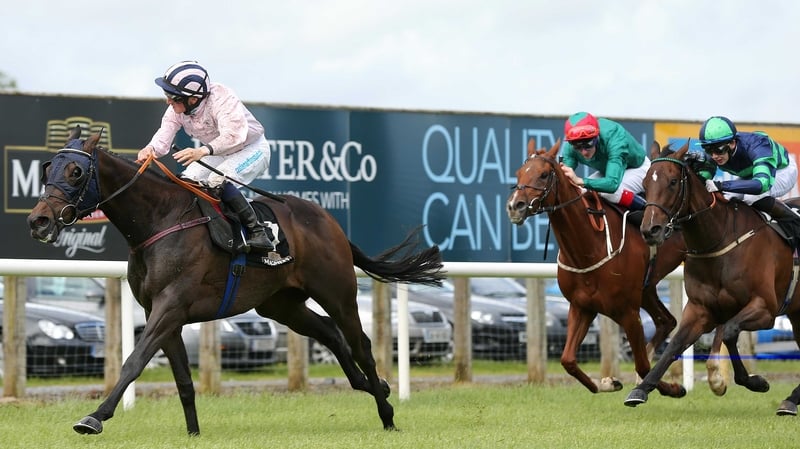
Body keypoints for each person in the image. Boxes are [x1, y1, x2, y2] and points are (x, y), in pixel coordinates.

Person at [137, 60, 272, 253]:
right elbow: (164, 133)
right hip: (219, 151)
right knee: (186, 181)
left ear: (193, 99)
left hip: (251, 148)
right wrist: (150, 149)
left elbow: (234, 136)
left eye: (172, 97)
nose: (168, 101)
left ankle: (257, 232)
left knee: (218, 180)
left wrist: (202, 151)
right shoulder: (179, 106)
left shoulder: (222, 98)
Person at [694, 115, 800, 242]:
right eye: (708, 150)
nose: (714, 156)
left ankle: (797, 224)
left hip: (781, 171)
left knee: (751, 197)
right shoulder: (715, 152)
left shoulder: (757, 144)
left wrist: (721, 185)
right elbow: (702, 182)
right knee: (726, 197)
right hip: (752, 174)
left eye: (719, 150)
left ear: (732, 143)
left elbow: (761, 184)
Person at [560, 111, 649, 211]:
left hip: (638, 168)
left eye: (588, 144)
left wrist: (581, 181)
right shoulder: (570, 146)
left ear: (596, 136)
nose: (584, 152)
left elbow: (612, 184)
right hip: (609, 170)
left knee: (608, 193)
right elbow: (565, 179)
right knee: (580, 191)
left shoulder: (614, 137)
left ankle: (646, 209)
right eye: (577, 147)